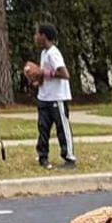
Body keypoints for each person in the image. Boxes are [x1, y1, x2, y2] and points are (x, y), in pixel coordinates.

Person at [24, 23, 76, 169]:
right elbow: (43, 75)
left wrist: (44, 73)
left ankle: (69, 158)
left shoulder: (54, 53)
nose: (35, 37)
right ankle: (43, 156)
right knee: (43, 128)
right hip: (44, 97)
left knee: (62, 128)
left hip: (57, 98)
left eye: (37, 34)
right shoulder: (44, 53)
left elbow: (65, 74)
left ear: (44, 36)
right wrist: (35, 81)